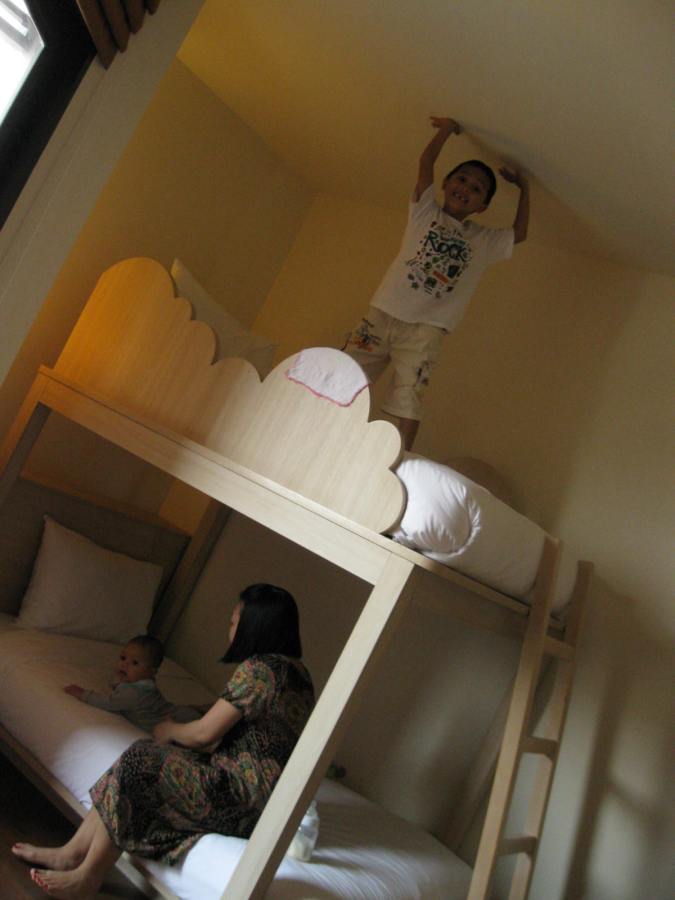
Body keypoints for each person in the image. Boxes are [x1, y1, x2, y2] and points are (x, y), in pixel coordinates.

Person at [12, 584, 315, 900]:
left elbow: (204, 733)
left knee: (140, 762)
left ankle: (87, 877)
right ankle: (72, 853)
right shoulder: (299, 674)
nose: (230, 628)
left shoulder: (260, 669)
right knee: (141, 753)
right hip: (263, 802)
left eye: (234, 621)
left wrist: (170, 729)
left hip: (240, 799)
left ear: (255, 625)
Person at [343, 115, 530, 450]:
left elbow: (520, 233)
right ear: (445, 183)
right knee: (347, 371)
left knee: (410, 394)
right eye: (462, 179)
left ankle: (401, 458)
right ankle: (324, 425)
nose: (466, 189)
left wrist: (524, 188)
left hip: (426, 330)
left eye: (476, 189)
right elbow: (426, 162)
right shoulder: (424, 211)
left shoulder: (482, 240)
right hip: (384, 313)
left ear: (483, 206)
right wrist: (447, 130)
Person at [64, 634, 200, 732]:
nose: (125, 664)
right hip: (176, 713)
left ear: (151, 671)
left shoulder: (133, 692)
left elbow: (109, 703)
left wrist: (83, 694)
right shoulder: (145, 684)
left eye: (135, 663)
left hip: (181, 722)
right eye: (123, 658)